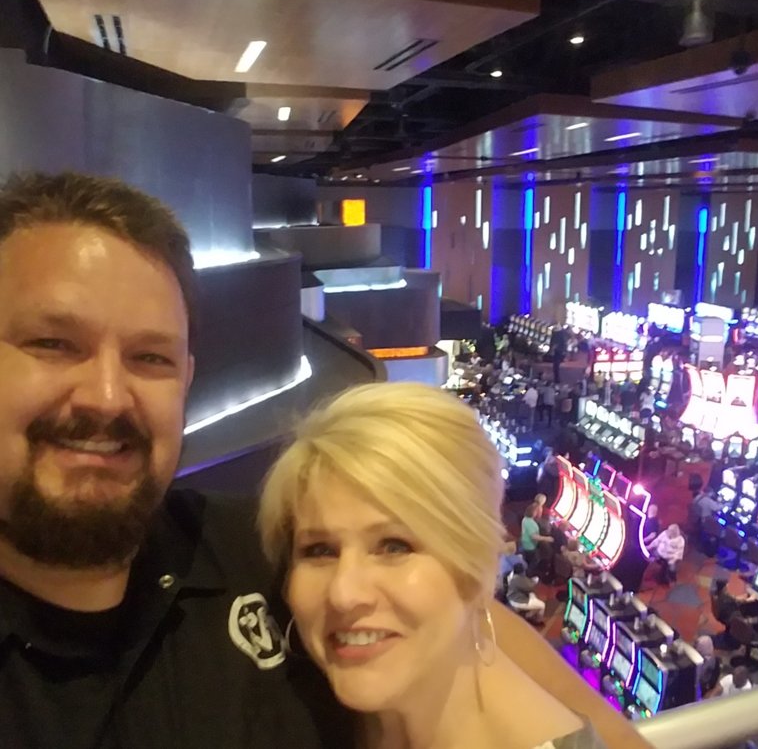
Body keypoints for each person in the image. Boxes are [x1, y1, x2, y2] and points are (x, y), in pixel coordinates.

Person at [0, 172, 646, 749]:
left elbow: (455, 612)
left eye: (150, 357)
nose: (107, 396)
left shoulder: (245, 547)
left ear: (186, 378)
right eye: (53, 343)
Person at [258, 383, 606, 748]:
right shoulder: (308, 711)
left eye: (394, 546)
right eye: (319, 550)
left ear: (476, 567)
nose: (344, 594)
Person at [520, 502, 554, 576]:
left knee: (529, 557)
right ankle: (527, 573)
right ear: (533, 513)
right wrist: (547, 538)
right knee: (535, 560)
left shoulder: (525, 519)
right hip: (530, 546)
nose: (539, 513)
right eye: (537, 511)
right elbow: (534, 536)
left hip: (524, 542)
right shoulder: (531, 523)